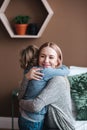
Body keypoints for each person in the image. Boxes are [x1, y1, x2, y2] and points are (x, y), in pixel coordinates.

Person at [18, 42, 75, 130]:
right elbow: (21, 94)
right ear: (37, 58)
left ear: (58, 60)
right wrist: (26, 78)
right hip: (42, 121)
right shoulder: (33, 72)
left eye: (51, 57)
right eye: (42, 56)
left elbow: (35, 106)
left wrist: (21, 103)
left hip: (60, 126)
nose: (46, 61)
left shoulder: (57, 80)